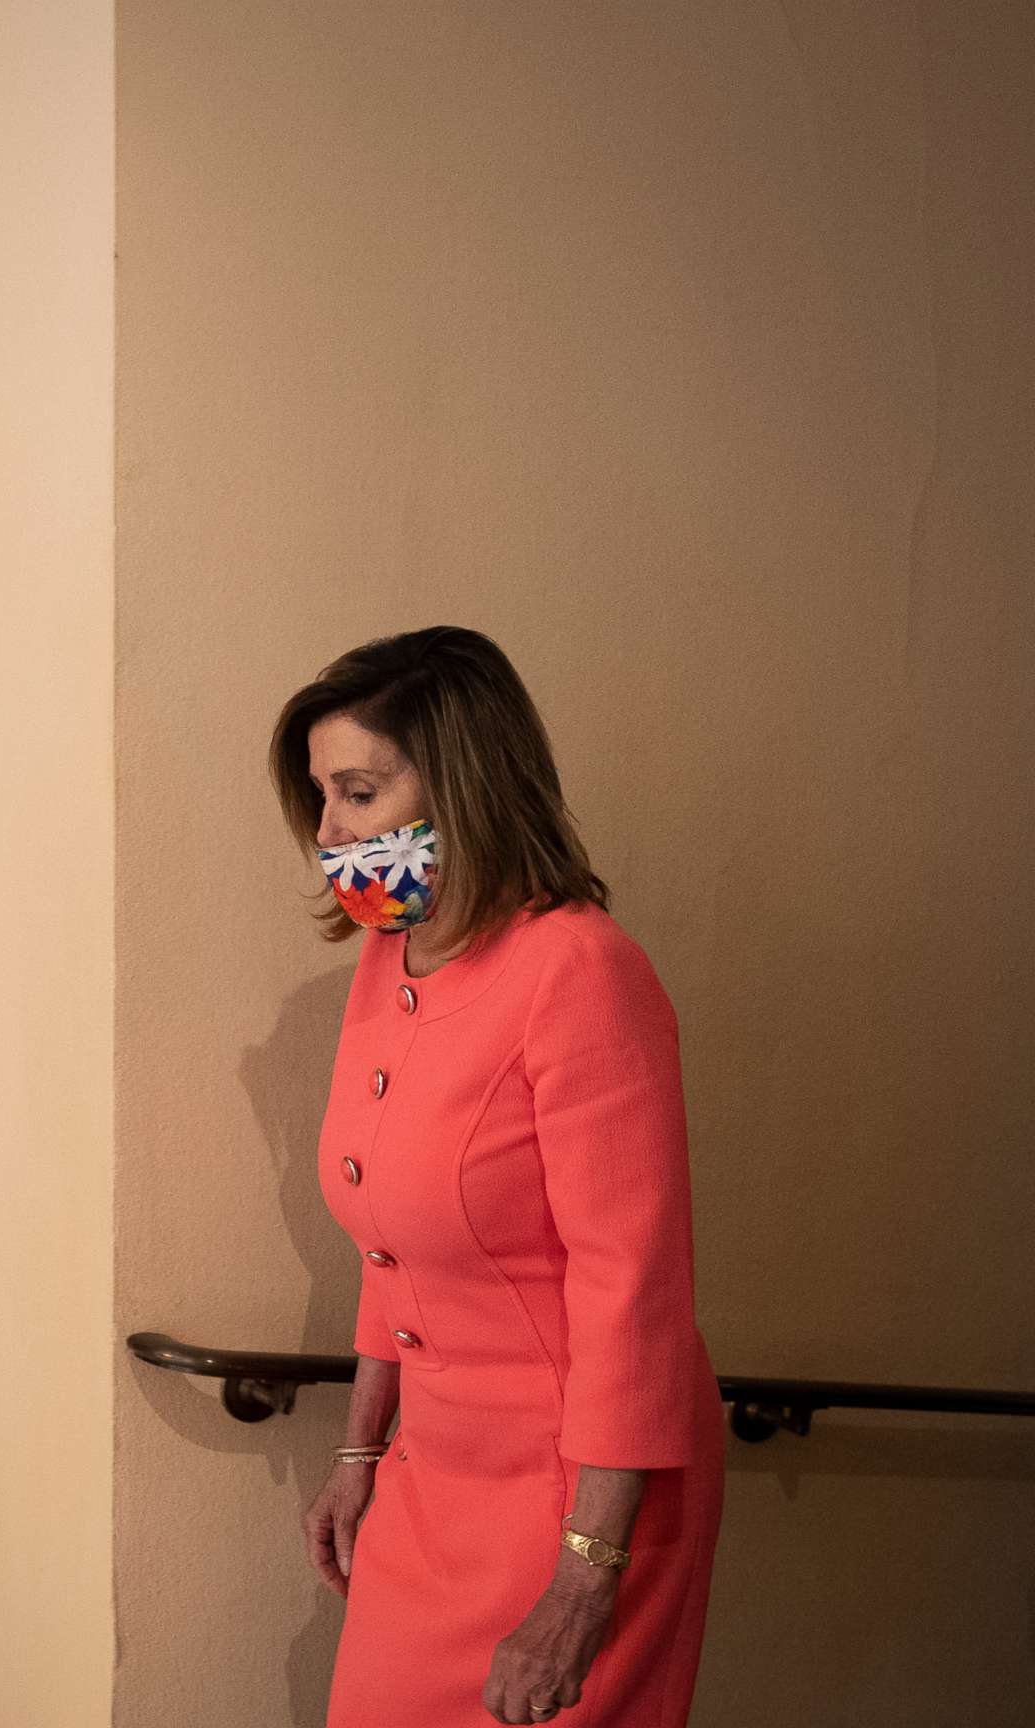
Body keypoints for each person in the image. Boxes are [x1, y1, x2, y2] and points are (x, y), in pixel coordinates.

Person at [270, 628, 723, 1727]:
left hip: (576, 1503)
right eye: (321, 796)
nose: (329, 831)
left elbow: (635, 1297)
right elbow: (391, 1239)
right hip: (432, 1481)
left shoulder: (581, 972)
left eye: (359, 792)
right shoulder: (390, 960)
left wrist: (583, 1579)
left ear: (461, 786)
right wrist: (357, 1447)